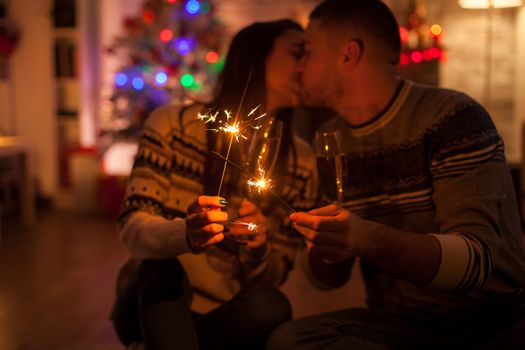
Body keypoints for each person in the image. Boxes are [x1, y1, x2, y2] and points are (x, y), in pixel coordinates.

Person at [266, 1, 525, 349]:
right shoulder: (331, 139)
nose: (298, 69)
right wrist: (322, 238)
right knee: (291, 338)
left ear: (349, 55)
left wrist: (366, 238)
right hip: (403, 322)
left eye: (308, 53)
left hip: (488, 317)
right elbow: (330, 279)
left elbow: (475, 263)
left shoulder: (451, 116)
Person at [110, 20, 317, 350]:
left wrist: (260, 249)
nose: (307, 66)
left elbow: (275, 275)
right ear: (255, 57)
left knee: (272, 305)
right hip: (151, 304)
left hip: (225, 318)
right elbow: (134, 229)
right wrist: (186, 234)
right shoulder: (173, 124)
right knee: (161, 267)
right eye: (297, 54)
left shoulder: (302, 162)